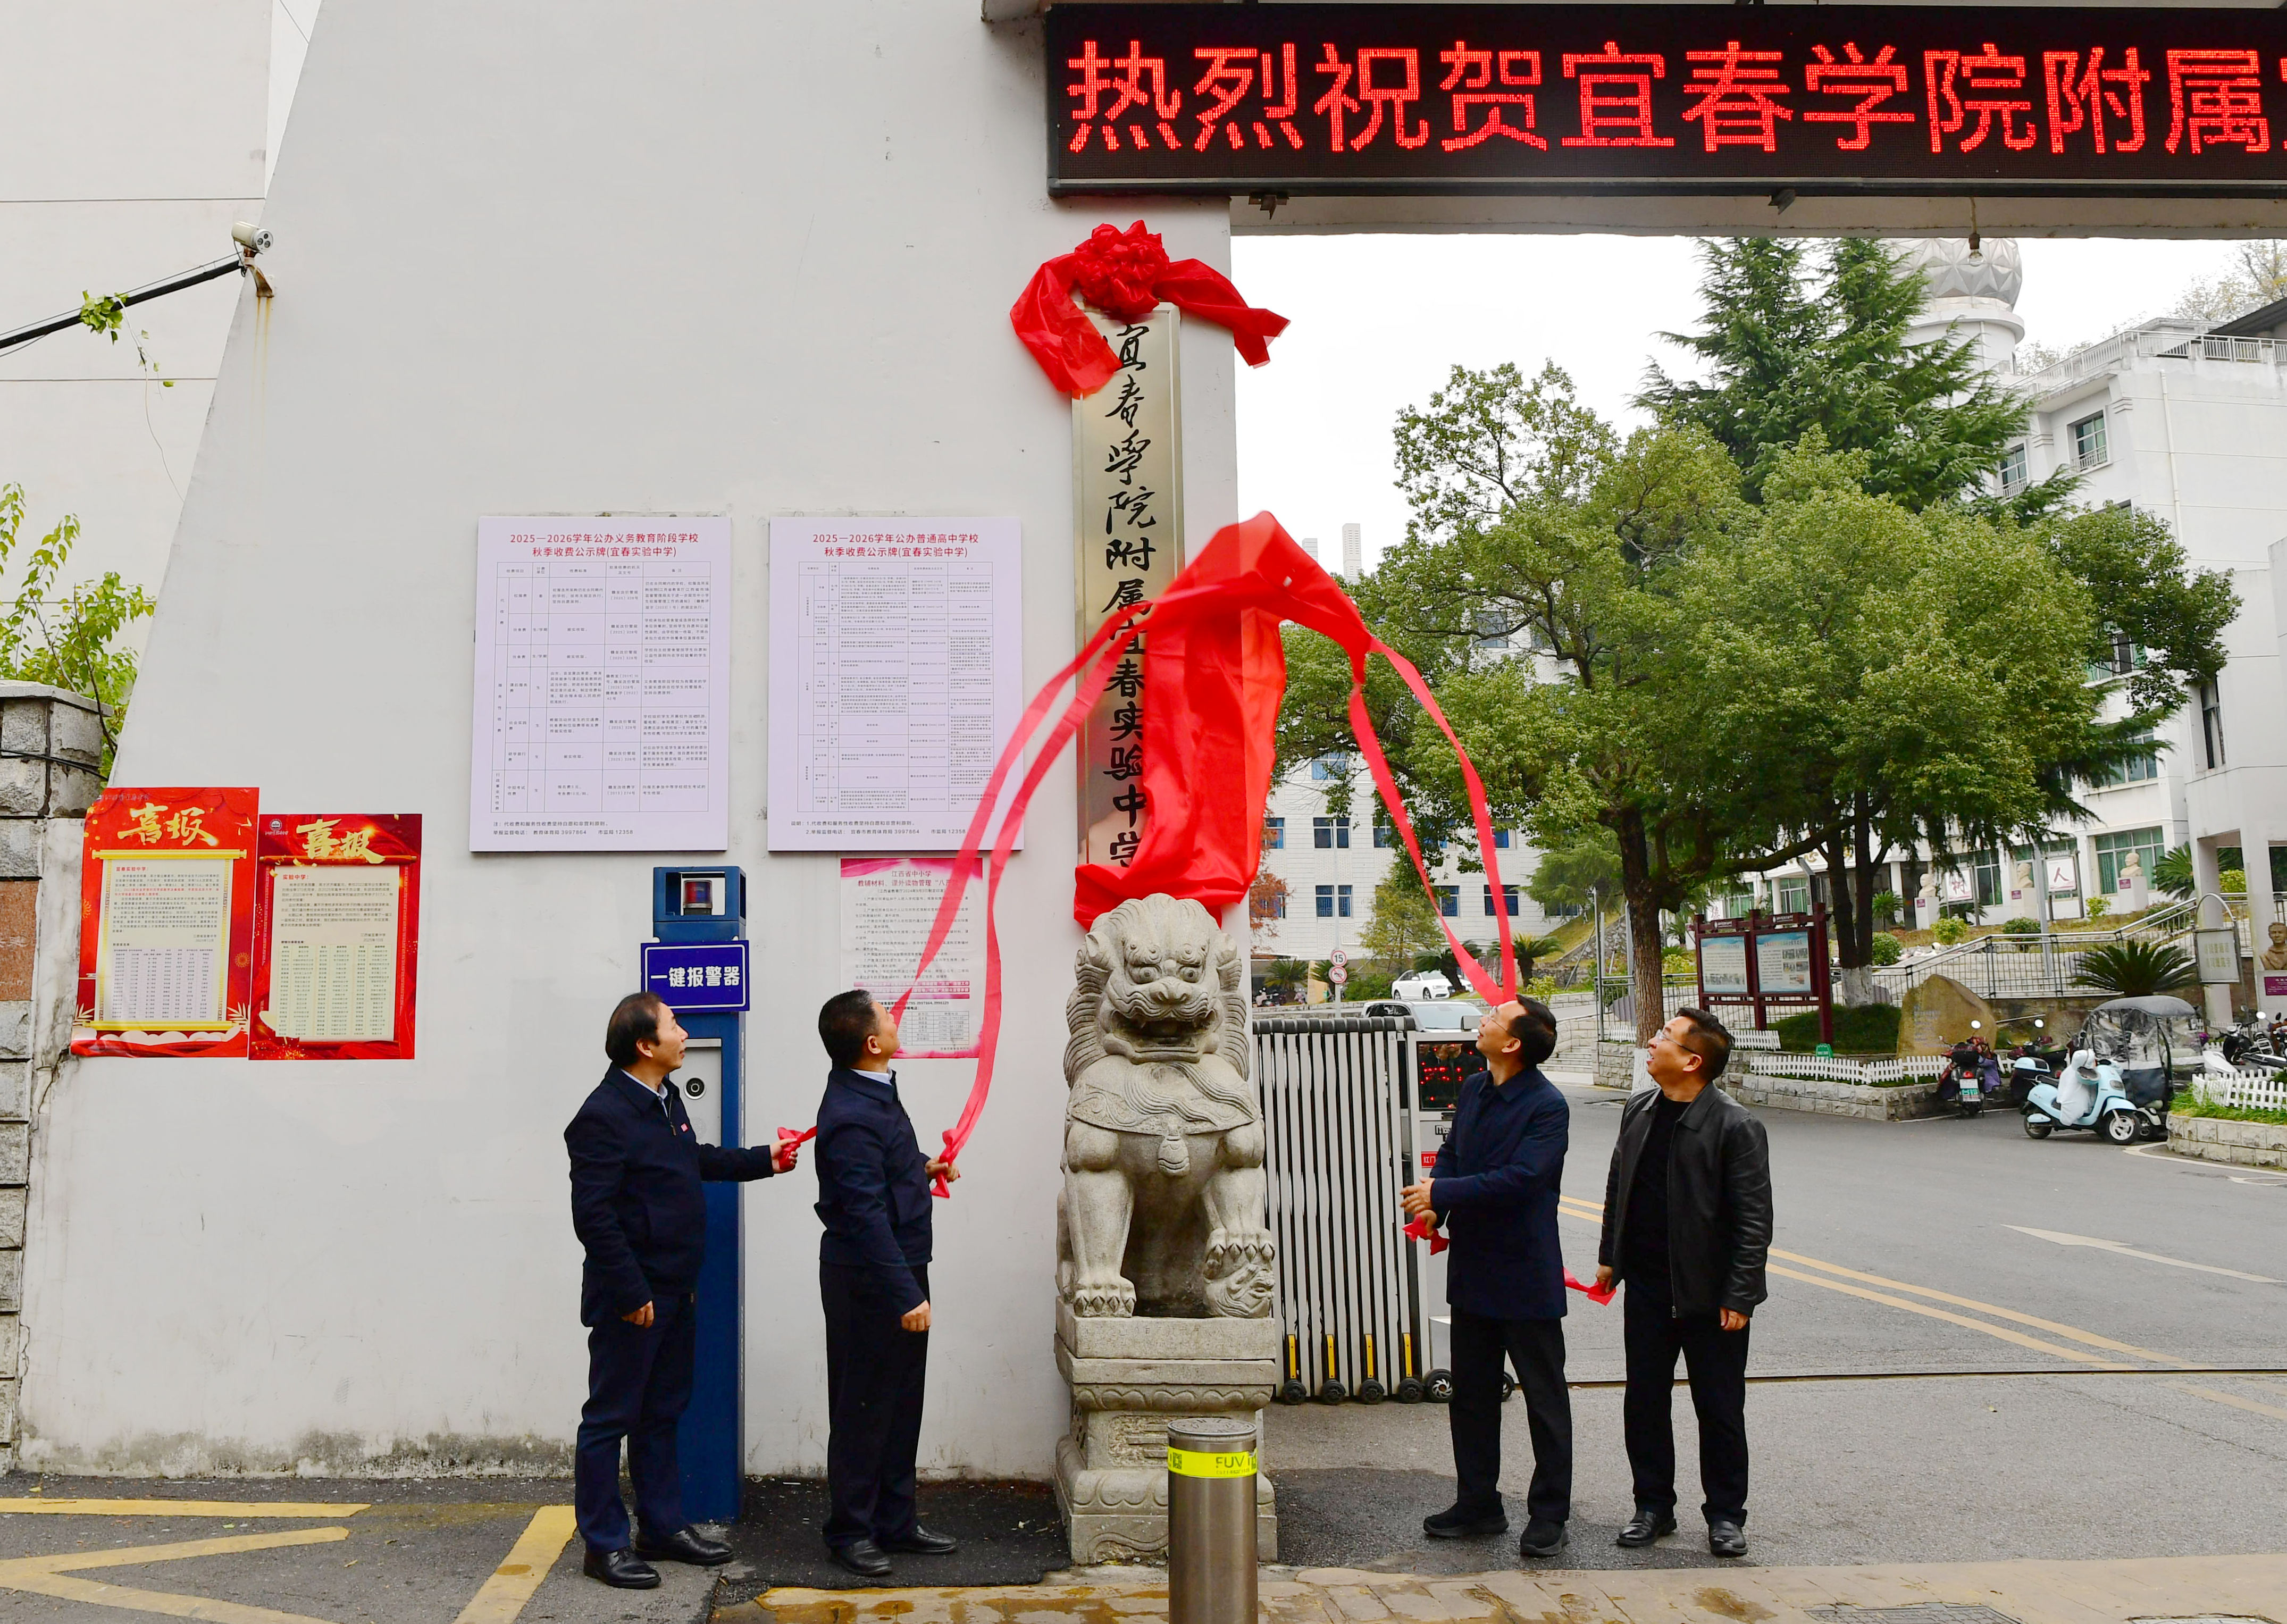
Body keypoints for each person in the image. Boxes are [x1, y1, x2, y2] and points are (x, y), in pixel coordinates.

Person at [566, 992, 800, 1591]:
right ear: (646, 1045)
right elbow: (593, 1217)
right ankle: (604, 1544)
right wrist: (630, 1291)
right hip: (633, 1298)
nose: (684, 1032)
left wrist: (765, 1160)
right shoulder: (602, 1114)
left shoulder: (664, 1100)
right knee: (609, 1419)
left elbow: (691, 1161)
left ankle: (662, 1527)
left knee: (661, 1414)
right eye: (673, 1024)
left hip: (675, 1288)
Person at [1398, 997, 1572, 1561]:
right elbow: (1453, 1153)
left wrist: (1442, 1192)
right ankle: (1478, 1503)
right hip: (1473, 1268)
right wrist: (1435, 1207)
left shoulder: (1547, 1106)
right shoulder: (1475, 1087)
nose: (1483, 1022)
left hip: (1524, 1272)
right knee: (1471, 1396)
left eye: (1494, 1019)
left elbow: (1521, 1179)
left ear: (1514, 1043)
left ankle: (1549, 1515)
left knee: (1543, 1399)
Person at [1595, 1008, 1771, 1560]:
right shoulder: (1639, 1108)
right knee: (1644, 1402)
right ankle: (1652, 1507)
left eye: (1664, 1037)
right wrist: (1609, 1258)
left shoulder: (1736, 1126)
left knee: (1718, 1409)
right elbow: (1619, 1184)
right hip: (1648, 1288)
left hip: (1710, 1295)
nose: (1652, 1042)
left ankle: (1725, 1515)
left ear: (1692, 1061)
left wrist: (1739, 1294)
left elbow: (1753, 1221)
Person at [814, 990, 963, 1578]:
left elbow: (882, 1170)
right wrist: (905, 1294)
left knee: (901, 1403)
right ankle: (850, 1532)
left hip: (900, 1267)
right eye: (886, 1014)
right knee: (863, 1407)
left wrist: (921, 1167)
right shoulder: (850, 1112)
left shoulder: (872, 1089)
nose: (895, 1016)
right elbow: (863, 1215)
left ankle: (895, 1521)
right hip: (870, 1279)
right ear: (872, 1042)